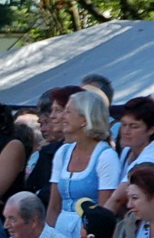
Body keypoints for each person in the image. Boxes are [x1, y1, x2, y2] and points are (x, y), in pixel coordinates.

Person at [46, 88, 119, 228]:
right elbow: (54, 206)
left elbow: (104, 211)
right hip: (60, 234)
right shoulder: (63, 152)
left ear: (84, 120)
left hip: (87, 235)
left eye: (68, 112)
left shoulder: (106, 157)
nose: (62, 117)